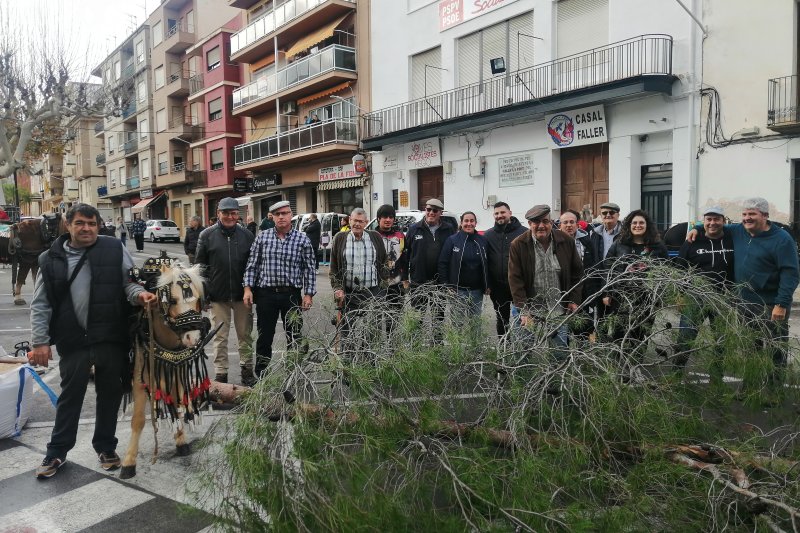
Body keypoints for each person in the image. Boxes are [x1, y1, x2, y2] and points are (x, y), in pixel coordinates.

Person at [29, 203, 157, 479]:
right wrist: (40, 341)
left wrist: (140, 296)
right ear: (68, 224)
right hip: (73, 338)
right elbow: (40, 304)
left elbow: (129, 283)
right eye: (80, 223)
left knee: (110, 393)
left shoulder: (114, 249)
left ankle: (105, 446)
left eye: (91, 223)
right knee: (70, 396)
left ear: (99, 225)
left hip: (110, 336)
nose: (86, 228)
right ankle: (56, 452)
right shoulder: (49, 259)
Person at [688, 197, 799, 397]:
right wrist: (695, 227)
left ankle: (775, 392)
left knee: (775, 349)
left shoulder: (782, 239)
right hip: (745, 302)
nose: (747, 218)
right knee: (750, 348)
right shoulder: (738, 230)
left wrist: (781, 303)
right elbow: (714, 223)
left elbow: (791, 273)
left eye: (752, 214)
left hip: (771, 304)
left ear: (765, 216)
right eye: (745, 214)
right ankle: (750, 387)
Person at [243, 200, 316, 378]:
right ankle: (262, 376)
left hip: (291, 295)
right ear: (272, 217)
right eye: (277, 214)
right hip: (266, 295)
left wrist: (308, 294)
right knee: (264, 337)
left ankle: (293, 374)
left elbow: (309, 268)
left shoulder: (302, 239)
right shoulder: (263, 237)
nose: (281, 217)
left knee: (294, 336)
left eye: (284, 213)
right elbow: (252, 265)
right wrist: (247, 289)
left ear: (291, 215)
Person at [195, 197, 256, 386]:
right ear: (218, 214)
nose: (230, 216)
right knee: (219, 337)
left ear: (239, 214)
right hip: (217, 295)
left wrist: (250, 289)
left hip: (241, 295)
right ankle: (221, 374)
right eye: (226, 213)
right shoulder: (206, 235)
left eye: (234, 213)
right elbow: (200, 267)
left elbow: (253, 266)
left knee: (245, 335)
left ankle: (247, 371)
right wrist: (203, 295)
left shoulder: (247, 235)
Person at [508, 204, 583, 349]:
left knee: (559, 352)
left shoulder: (566, 241)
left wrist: (574, 299)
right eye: (536, 222)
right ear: (530, 224)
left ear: (551, 222)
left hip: (558, 310)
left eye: (545, 221)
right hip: (529, 310)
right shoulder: (518, 245)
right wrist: (524, 310)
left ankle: (557, 371)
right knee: (523, 351)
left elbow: (577, 273)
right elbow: (515, 280)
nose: (541, 226)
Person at [674, 205, 734, 376]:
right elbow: (681, 270)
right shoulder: (691, 242)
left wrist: (696, 227)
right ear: (704, 220)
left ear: (724, 221)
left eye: (717, 219)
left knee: (721, 340)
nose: (712, 223)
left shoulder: (731, 238)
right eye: (709, 219)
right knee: (685, 338)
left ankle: (717, 379)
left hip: (723, 298)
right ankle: (675, 375)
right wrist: (680, 295)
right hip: (695, 298)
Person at [600, 209, 669, 347]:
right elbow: (608, 268)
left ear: (647, 225)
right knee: (619, 331)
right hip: (621, 296)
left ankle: (636, 362)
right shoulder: (619, 244)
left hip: (647, 297)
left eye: (641, 223)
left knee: (641, 332)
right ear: (629, 225)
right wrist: (606, 293)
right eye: (634, 223)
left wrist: (661, 296)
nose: (638, 225)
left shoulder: (658, 247)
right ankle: (619, 361)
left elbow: (666, 271)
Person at [329, 208, 388, 348]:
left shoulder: (375, 237)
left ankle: (369, 362)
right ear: (350, 220)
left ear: (366, 222)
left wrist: (382, 289)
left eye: (361, 221)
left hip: (373, 293)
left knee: (373, 332)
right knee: (347, 332)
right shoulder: (340, 238)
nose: (357, 224)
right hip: (349, 294)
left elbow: (384, 263)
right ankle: (348, 364)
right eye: (355, 220)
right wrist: (337, 288)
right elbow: (334, 268)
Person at [403, 198, 456, 330]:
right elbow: (405, 254)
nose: (431, 212)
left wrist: (450, 281)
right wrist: (404, 277)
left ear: (440, 213)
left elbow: (453, 256)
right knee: (417, 318)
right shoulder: (414, 229)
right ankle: (415, 347)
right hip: (418, 282)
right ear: (425, 210)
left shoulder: (448, 230)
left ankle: (437, 347)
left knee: (438, 317)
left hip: (439, 282)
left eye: (435, 210)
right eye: (428, 209)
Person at [484, 202, 527, 336]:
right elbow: (485, 262)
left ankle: (524, 350)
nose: (499, 216)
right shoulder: (488, 235)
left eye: (503, 212)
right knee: (502, 320)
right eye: (496, 213)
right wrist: (488, 284)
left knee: (523, 319)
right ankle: (504, 348)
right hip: (498, 287)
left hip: (519, 286)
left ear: (510, 213)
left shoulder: (524, 232)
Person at [438, 211, 488, 318]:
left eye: (472, 221)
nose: (469, 223)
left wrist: (488, 285)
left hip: (477, 291)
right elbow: (443, 263)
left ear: (475, 223)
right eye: (466, 221)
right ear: (461, 223)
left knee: (475, 325)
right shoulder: (452, 240)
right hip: (457, 291)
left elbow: (488, 264)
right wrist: (447, 285)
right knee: (457, 325)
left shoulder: (482, 240)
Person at [374, 204, 407, 331]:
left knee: (393, 321)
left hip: (396, 285)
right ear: (378, 219)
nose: (388, 220)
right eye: (384, 217)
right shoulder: (372, 235)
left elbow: (405, 258)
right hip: (376, 285)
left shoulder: (400, 236)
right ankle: (375, 348)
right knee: (375, 321)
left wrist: (405, 279)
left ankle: (392, 349)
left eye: (391, 217)